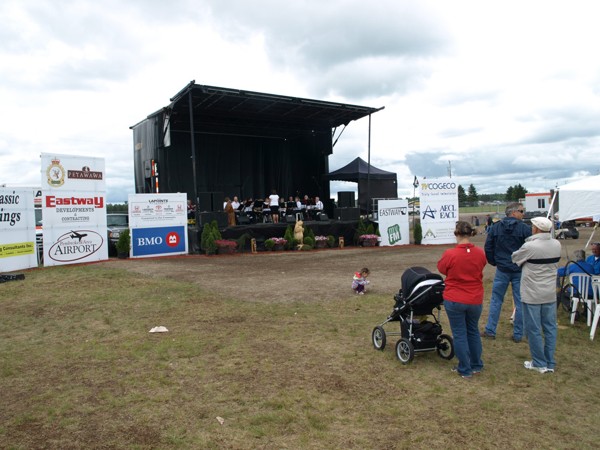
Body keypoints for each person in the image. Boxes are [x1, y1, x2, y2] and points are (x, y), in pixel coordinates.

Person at [437, 221, 487, 379]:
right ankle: (476, 364)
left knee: (459, 334)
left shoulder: (450, 254)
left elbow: (442, 268)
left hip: (455, 298)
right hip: (474, 298)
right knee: (473, 331)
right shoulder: (479, 253)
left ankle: (464, 368)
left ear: (456, 233)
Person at [511, 217, 561, 373]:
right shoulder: (556, 244)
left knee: (533, 328)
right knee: (550, 327)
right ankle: (549, 361)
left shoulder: (530, 246)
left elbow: (515, 258)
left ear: (537, 229)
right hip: (549, 292)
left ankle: (539, 362)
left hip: (532, 292)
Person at [481, 202, 532, 342]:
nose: (523, 214)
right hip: (518, 269)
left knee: (496, 300)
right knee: (520, 302)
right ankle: (518, 334)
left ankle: (490, 330)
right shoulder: (524, 228)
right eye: (521, 211)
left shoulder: (496, 227)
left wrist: (494, 262)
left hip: (502, 269)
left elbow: (488, 247)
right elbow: (530, 249)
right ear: (514, 212)